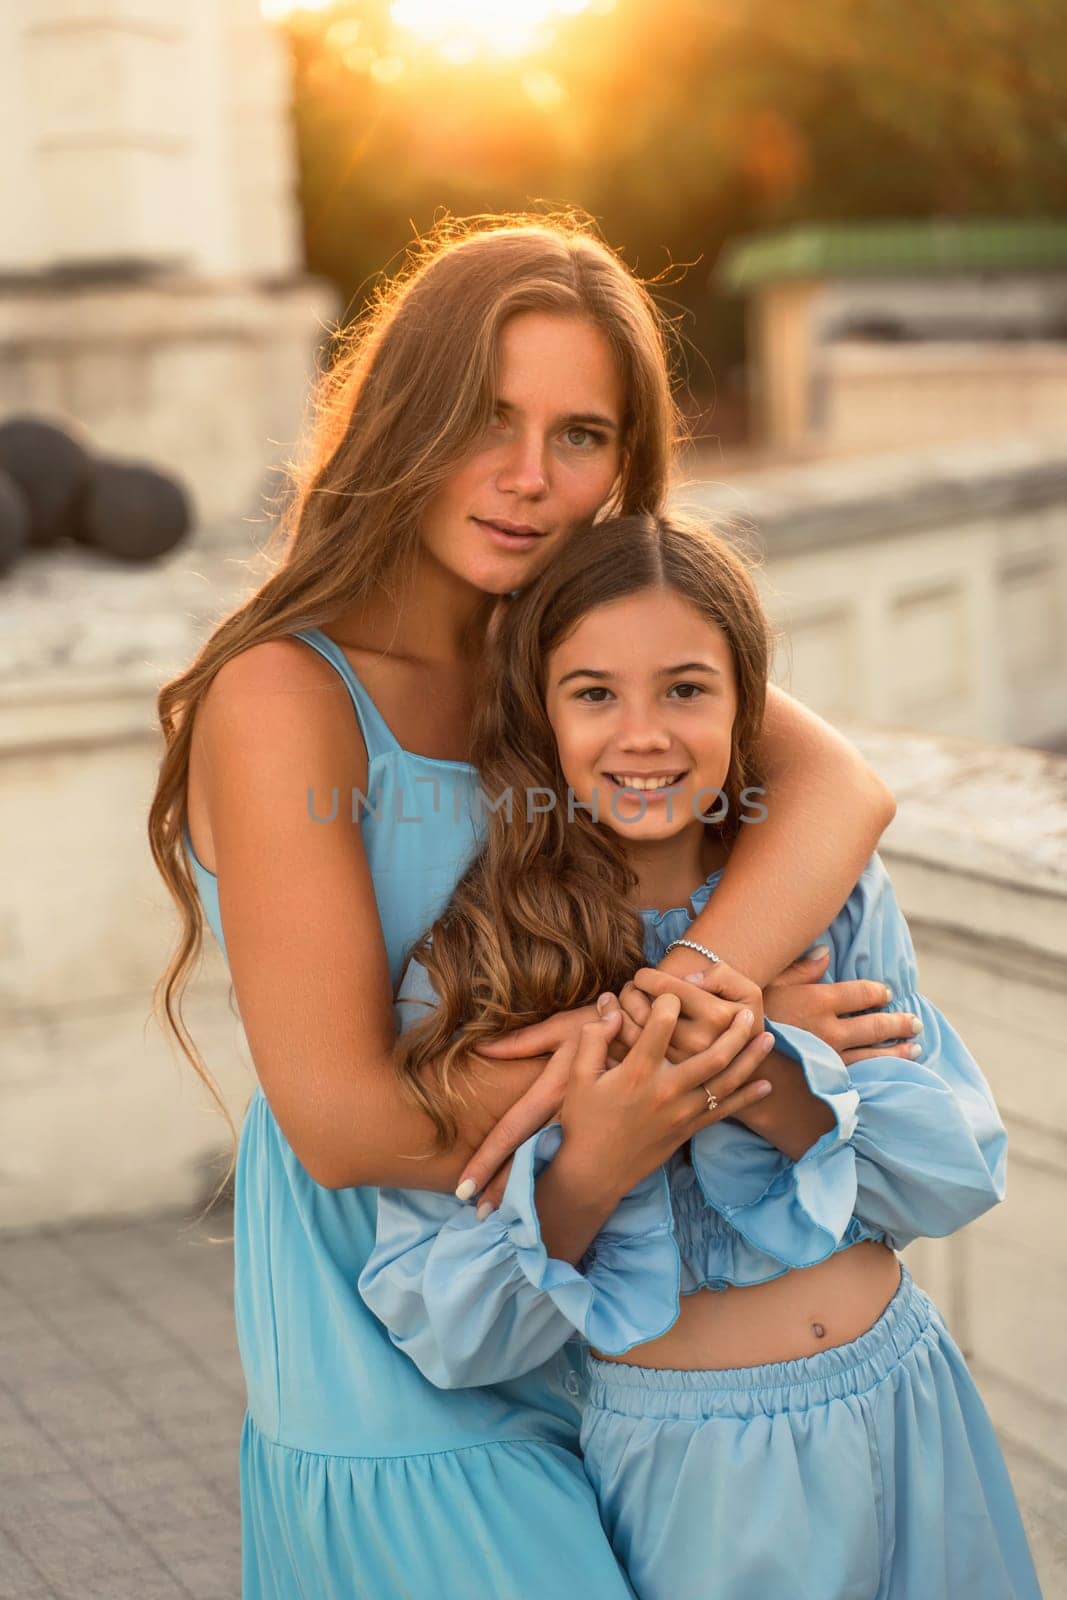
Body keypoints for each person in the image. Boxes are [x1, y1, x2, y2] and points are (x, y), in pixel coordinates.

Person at [149, 215, 901, 1599]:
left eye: (580, 435)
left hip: (589, 1306)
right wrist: (694, 1059)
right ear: (401, 419)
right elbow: (341, 1123)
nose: (524, 480)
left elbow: (839, 793)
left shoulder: (562, 653)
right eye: (483, 419)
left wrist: (679, 1017)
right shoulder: (287, 697)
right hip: (385, 1361)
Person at [360, 510, 1041, 1599]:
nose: (643, 735)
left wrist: (769, 1072)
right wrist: (598, 1153)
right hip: (698, 1477)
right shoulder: (475, 965)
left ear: (744, 707)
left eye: (685, 688)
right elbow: (447, 1324)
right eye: (594, 693)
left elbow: (956, 1171)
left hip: (912, 1402)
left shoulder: (830, 897)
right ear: (539, 712)